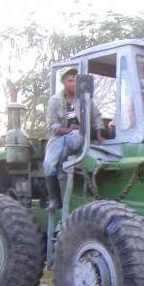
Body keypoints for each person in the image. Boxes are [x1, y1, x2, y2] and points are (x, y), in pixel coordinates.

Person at [43, 67, 103, 209]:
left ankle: (63, 164)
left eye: (75, 80)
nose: (73, 83)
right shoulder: (54, 100)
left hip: (75, 135)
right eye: (70, 80)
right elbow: (51, 126)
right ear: (63, 82)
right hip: (59, 136)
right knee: (47, 165)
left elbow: (96, 116)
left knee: (75, 139)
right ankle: (54, 199)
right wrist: (68, 129)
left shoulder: (84, 99)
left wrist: (99, 133)